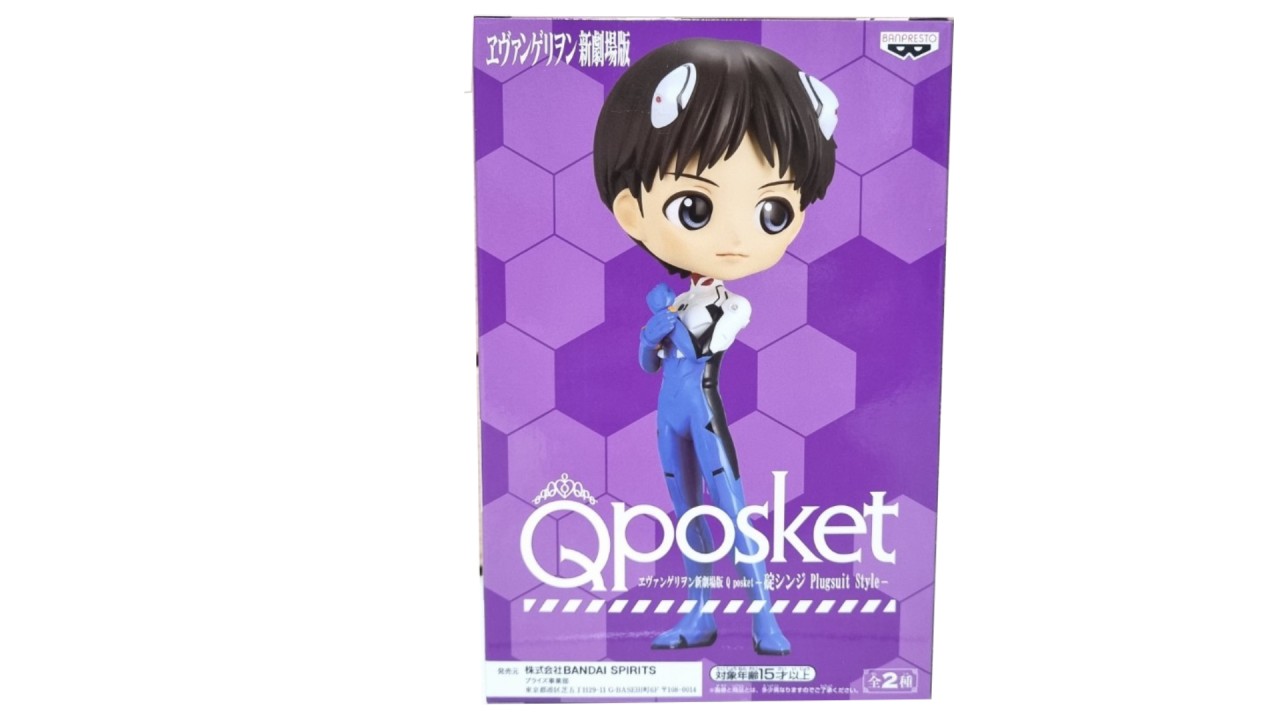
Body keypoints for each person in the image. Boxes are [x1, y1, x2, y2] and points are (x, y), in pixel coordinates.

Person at [592, 38, 839, 656]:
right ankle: (699, 612)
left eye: (772, 211)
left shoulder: (731, 306)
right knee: (687, 516)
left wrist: (672, 325)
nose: (734, 235)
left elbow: (709, 343)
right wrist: (651, 334)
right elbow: (647, 365)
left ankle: (764, 618)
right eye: (696, 206)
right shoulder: (676, 305)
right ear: (632, 210)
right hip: (668, 416)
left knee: (732, 508)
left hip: (704, 412)